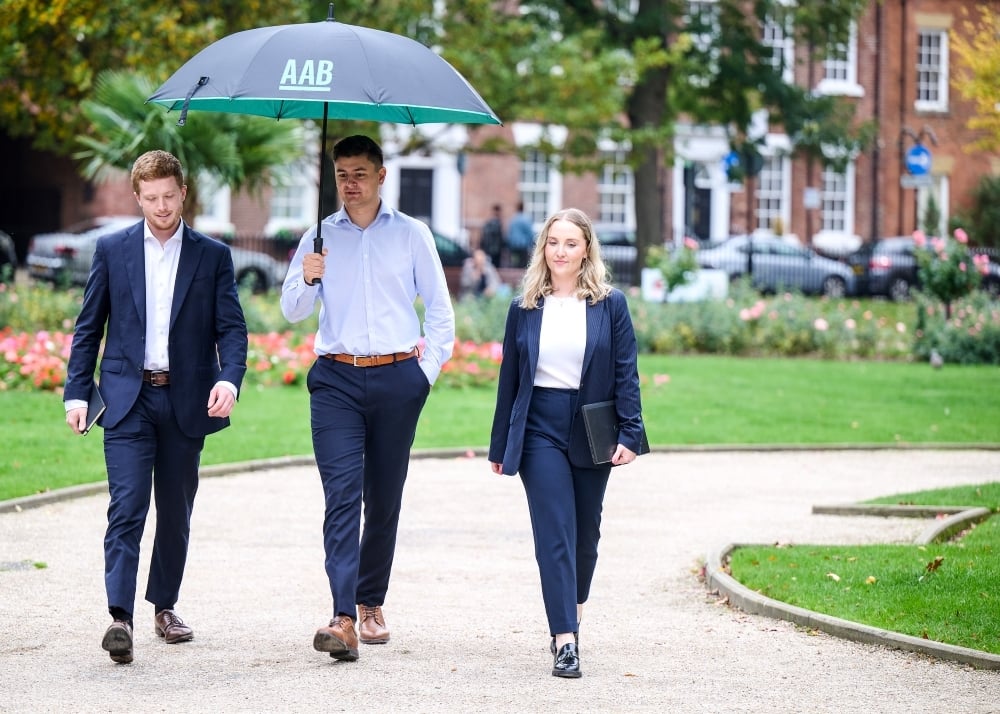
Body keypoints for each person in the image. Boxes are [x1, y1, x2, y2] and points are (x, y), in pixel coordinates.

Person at [63, 149, 249, 665]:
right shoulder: (113, 249)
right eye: (151, 199)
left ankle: (163, 607)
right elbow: (88, 328)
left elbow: (231, 329)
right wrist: (77, 391)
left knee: (175, 510)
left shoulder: (212, 256)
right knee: (126, 507)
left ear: (183, 193)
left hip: (187, 400)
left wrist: (230, 379)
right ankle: (119, 617)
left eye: (169, 197)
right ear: (138, 197)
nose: (161, 207)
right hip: (127, 400)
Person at [280, 135, 455, 662]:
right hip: (335, 379)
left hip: (398, 378)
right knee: (341, 494)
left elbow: (441, 314)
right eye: (341, 174)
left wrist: (422, 375)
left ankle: (371, 600)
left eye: (359, 173)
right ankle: (342, 615)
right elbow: (292, 310)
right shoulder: (317, 237)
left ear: (381, 177)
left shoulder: (411, 235)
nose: (349, 183)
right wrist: (309, 278)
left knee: (383, 495)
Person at [488, 207, 645, 679]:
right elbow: (509, 380)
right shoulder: (524, 308)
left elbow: (626, 372)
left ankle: (572, 614)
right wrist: (500, 446)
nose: (561, 251)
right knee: (553, 530)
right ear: (543, 249)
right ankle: (565, 639)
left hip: (591, 424)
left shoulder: (609, 304)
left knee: (585, 536)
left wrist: (631, 432)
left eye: (571, 243)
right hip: (539, 426)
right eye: (553, 242)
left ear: (586, 250)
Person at [506, 201, 534, 268]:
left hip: (513, 245)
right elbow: (530, 233)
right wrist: (531, 244)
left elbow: (509, 233)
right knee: (523, 265)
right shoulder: (526, 219)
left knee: (514, 263)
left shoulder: (513, 219)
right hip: (523, 246)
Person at [480, 203, 504, 268]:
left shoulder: (488, 222)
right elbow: (500, 238)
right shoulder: (497, 223)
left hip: (488, 249)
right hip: (495, 250)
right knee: (495, 267)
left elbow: (483, 236)